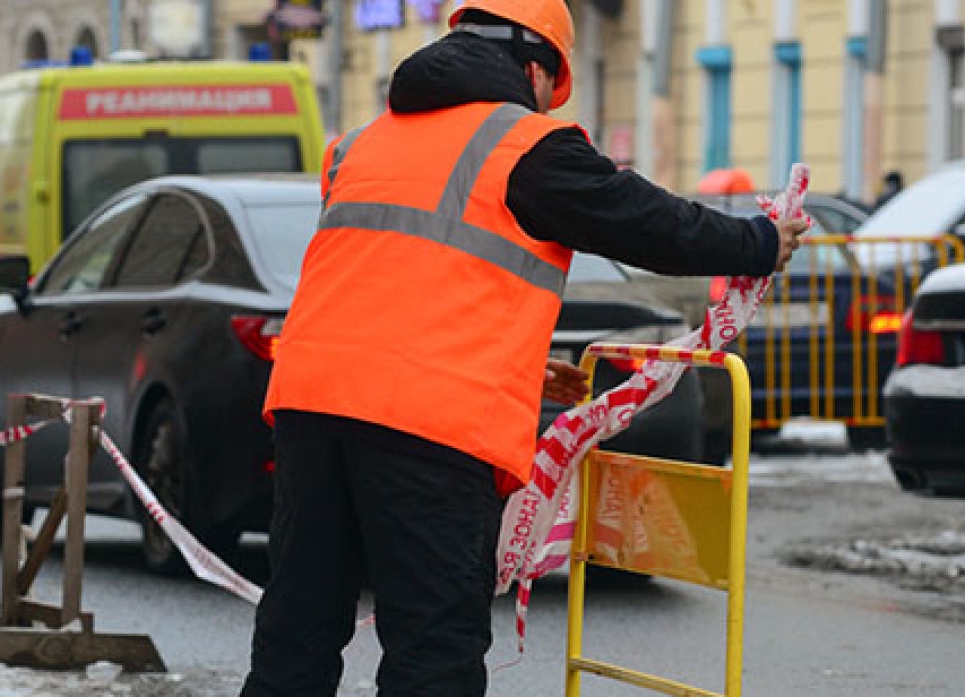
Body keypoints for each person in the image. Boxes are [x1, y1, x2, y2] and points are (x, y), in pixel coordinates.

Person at [239, 1, 809, 695]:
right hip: (428, 431)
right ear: (535, 68)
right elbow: (642, 220)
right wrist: (756, 241)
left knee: (298, 631)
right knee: (433, 649)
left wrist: (516, 367)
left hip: (311, 406)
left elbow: (395, 284)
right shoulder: (523, 142)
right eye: (552, 85)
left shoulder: (361, 143)